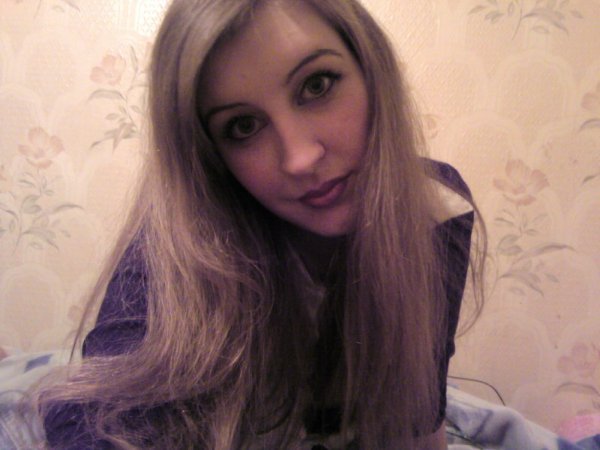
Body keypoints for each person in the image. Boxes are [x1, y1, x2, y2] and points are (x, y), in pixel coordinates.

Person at [37, 0, 483, 448]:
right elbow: (99, 416)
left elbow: (419, 410)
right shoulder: (182, 245)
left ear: (371, 67)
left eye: (317, 85)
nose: (299, 158)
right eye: (244, 126)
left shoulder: (435, 211)